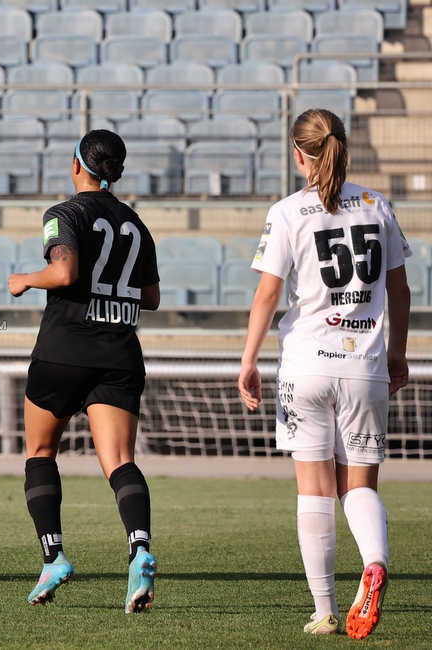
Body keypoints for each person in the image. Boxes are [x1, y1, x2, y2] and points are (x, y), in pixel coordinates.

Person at [238, 109, 410, 638]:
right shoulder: (377, 204)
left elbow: (269, 292)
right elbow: (401, 290)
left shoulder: (288, 211)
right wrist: (397, 353)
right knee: (357, 483)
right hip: (366, 365)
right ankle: (373, 564)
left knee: (313, 489)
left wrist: (248, 360)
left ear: (298, 154)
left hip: (306, 365)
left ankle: (324, 610)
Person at [6, 130, 160, 610]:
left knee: (39, 450)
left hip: (64, 351)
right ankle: (139, 549)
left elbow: (65, 272)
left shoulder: (64, 214)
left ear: (77, 164)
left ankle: (53, 556)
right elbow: (152, 298)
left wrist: (25, 280)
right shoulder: (135, 222)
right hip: (119, 355)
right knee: (118, 461)